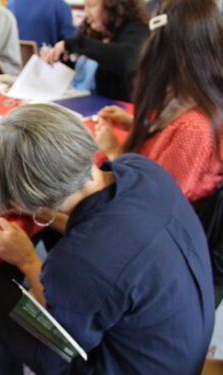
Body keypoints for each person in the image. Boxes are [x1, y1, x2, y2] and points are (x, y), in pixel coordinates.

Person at [0, 104, 215, 375]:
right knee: (6, 291)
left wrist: (28, 260)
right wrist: (46, 228)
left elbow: (60, 336)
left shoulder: (80, 264)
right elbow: (107, 235)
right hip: (173, 361)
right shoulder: (139, 170)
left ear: (34, 201)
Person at [96, 0, 223, 304]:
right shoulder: (189, 96)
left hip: (154, 246)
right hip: (148, 225)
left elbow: (154, 206)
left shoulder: (195, 128)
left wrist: (114, 153)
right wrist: (132, 121)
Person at [44, 0, 149, 101]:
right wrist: (60, 58)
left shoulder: (137, 29)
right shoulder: (96, 30)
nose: (86, 13)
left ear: (113, 6)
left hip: (120, 110)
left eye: (92, 5)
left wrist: (75, 44)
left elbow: (127, 59)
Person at [7, 0, 76, 48]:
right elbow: (72, 44)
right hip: (47, 65)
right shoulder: (60, 6)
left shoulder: (11, 5)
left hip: (16, 66)